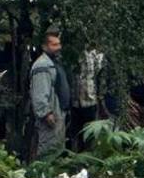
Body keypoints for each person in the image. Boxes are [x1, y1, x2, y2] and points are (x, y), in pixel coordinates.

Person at [30, 29, 70, 157]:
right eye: (54, 45)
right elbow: (40, 92)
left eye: (59, 44)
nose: (58, 47)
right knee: (48, 150)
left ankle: (54, 176)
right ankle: (43, 176)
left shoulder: (54, 62)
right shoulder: (42, 65)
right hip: (50, 115)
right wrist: (46, 113)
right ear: (44, 47)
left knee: (57, 149)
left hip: (59, 112)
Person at [71, 48, 107, 149]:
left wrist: (100, 98)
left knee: (90, 135)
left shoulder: (97, 55)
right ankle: (76, 160)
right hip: (75, 102)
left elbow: (100, 77)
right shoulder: (72, 53)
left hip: (90, 101)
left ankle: (89, 160)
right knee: (75, 135)